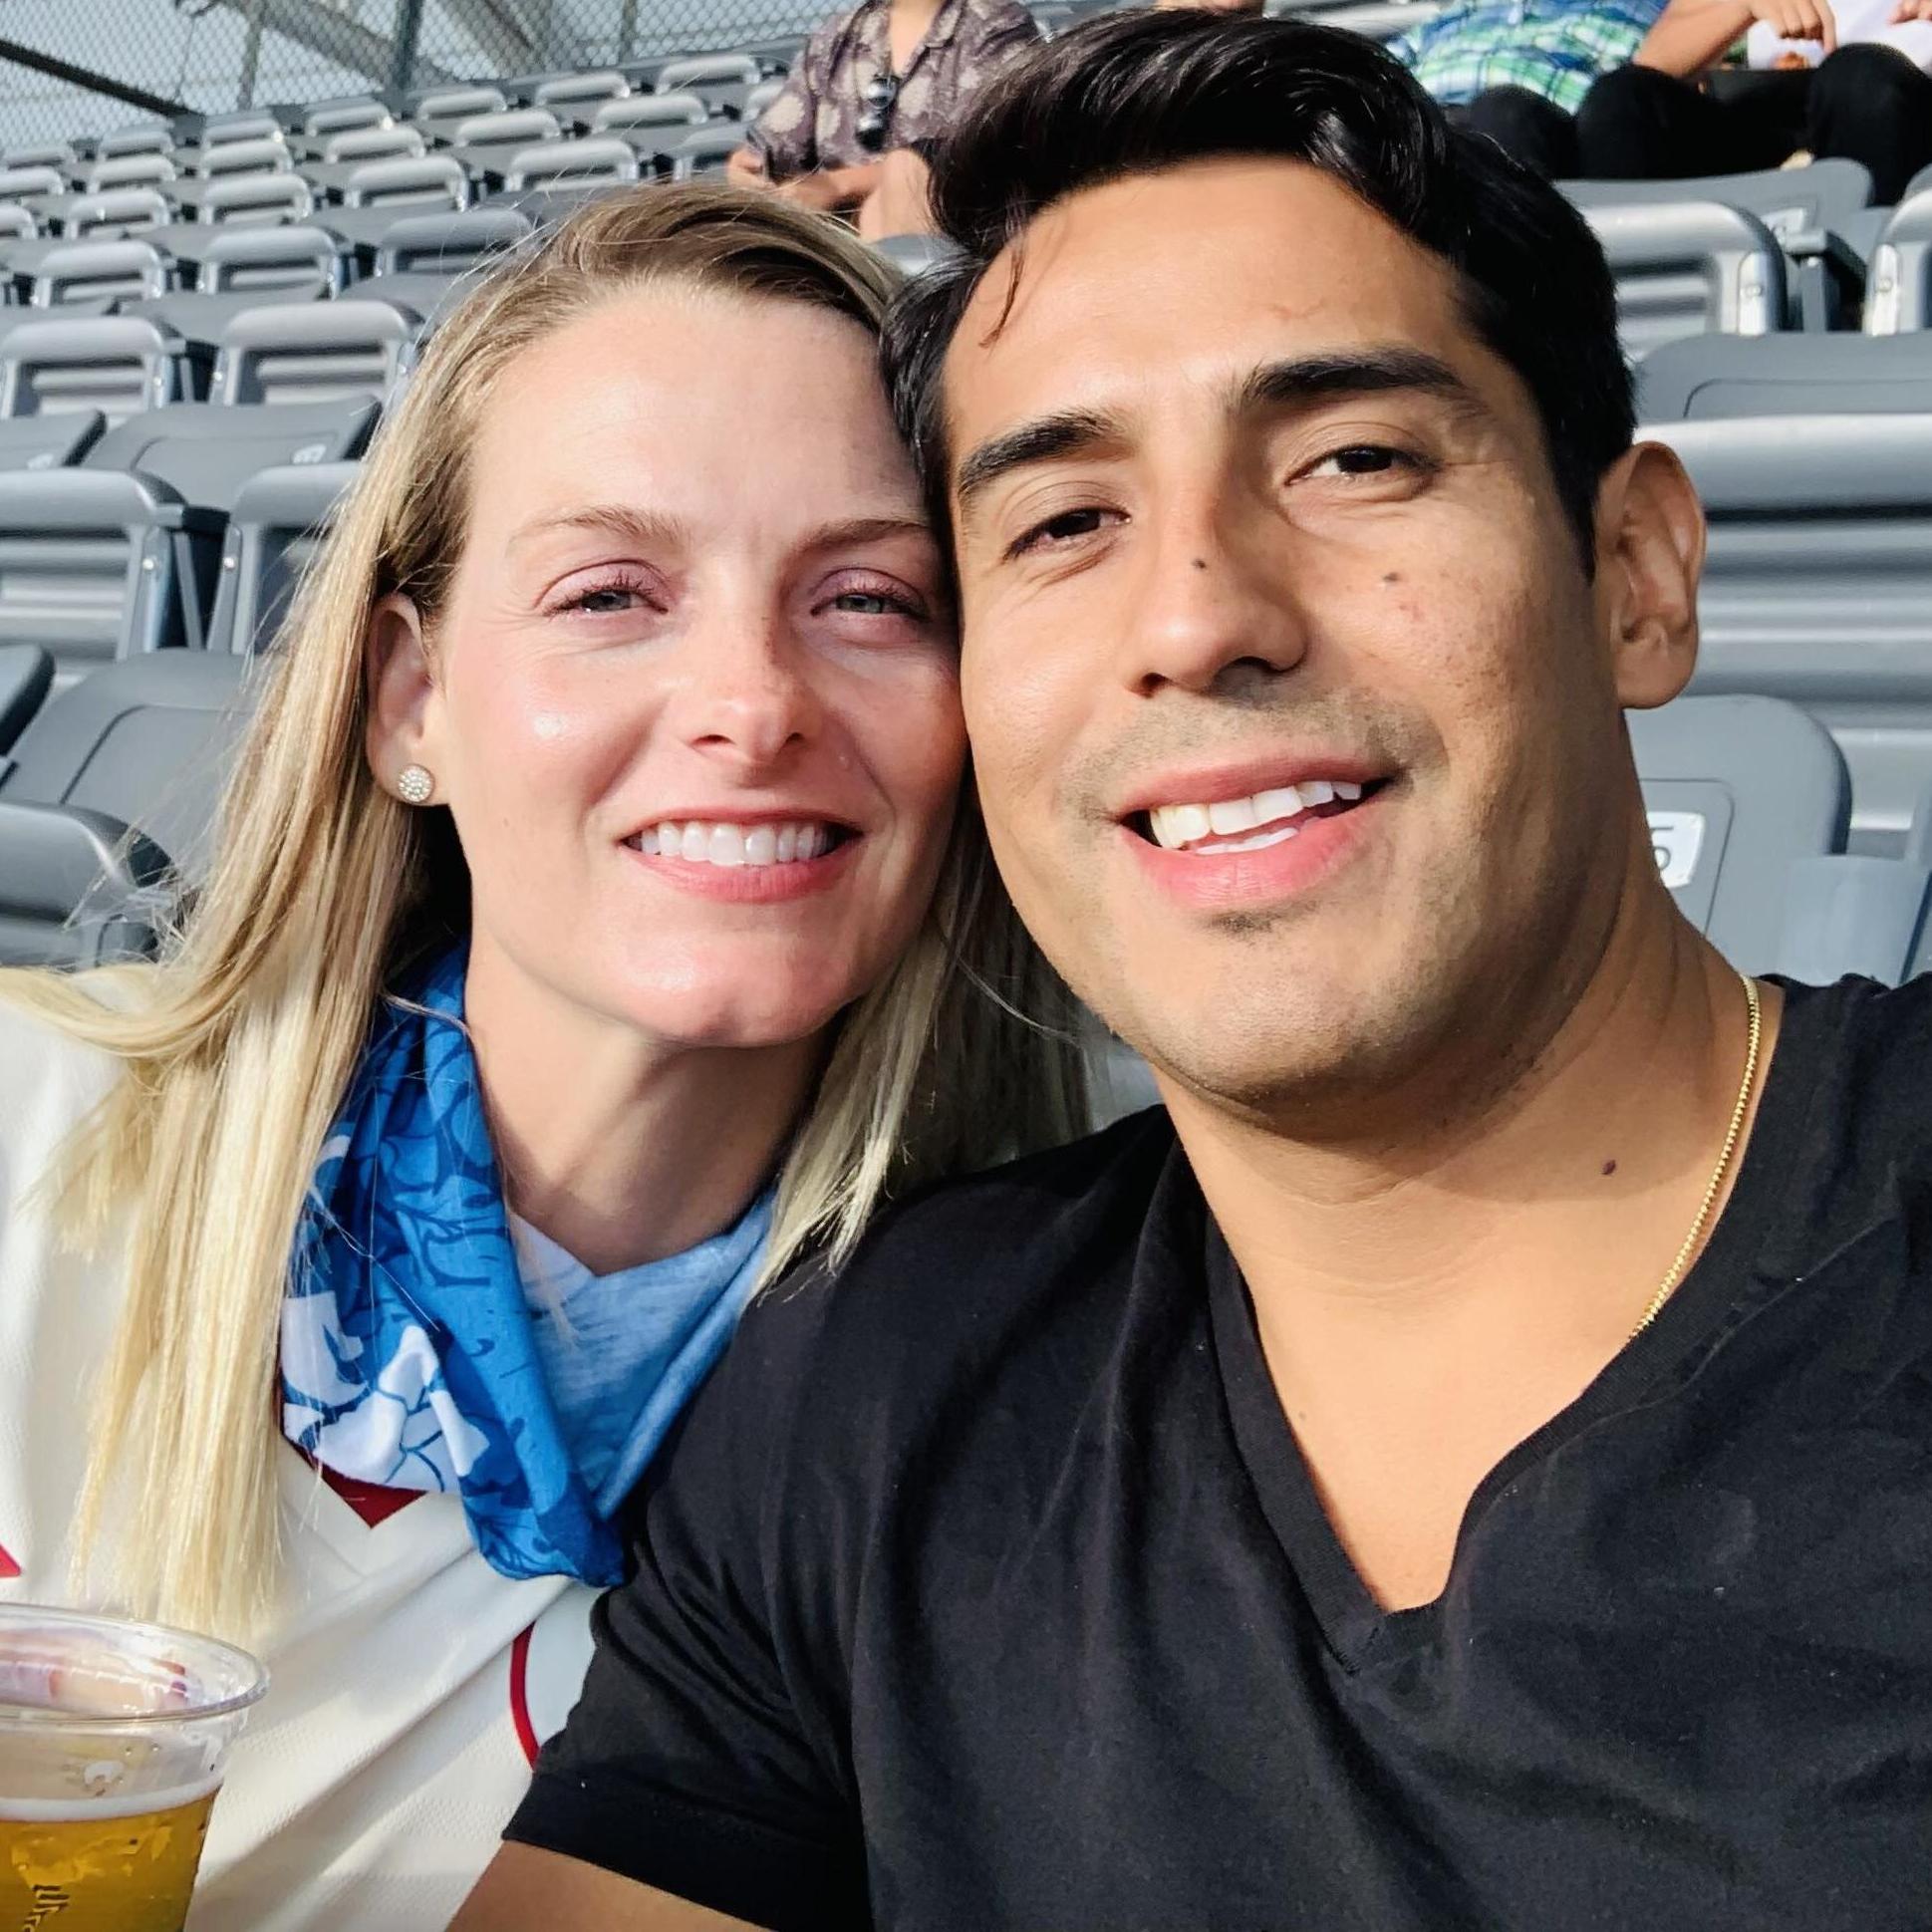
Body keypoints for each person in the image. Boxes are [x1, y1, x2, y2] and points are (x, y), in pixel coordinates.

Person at [458, 15, 1932, 1931]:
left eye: (1348, 458)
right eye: (1061, 521)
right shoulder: (871, 1387)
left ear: (1632, 572)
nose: (1196, 614)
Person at [0, 183, 1083, 1930]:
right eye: (609, 591)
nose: (752, 699)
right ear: (410, 699)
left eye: (871, 598)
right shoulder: (22, 1122)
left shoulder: (1006, 1422)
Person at [726, 0, 1038, 237]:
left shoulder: (996, 24)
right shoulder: (837, 36)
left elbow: (978, 147)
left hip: (945, 234)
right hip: (839, 238)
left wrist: (839, 184)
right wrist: (749, 165)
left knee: (905, 177)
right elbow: (775, 140)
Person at [1575, 0, 1932, 202]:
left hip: (1900, 110)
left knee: (1860, 80)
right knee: (1622, 101)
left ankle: (1867, 301)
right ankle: (1637, 299)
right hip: (1770, 107)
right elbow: (1655, 64)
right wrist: (1742, 6)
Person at [1387, 0, 1668, 176]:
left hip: (1534, 134)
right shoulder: (1458, 12)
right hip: (1422, 131)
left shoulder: (1642, 9)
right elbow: (1376, 74)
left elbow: (1631, 102)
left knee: (1502, 114)